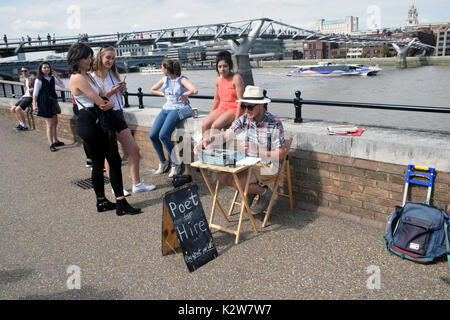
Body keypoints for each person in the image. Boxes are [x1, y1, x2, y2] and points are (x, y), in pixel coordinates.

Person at [68, 42, 141, 215]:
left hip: (96, 121)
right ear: (78, 59)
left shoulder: (88, 76)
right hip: (92, 122)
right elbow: (101, 102)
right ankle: (120, 203)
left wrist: (107, 100)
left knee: (100, 164)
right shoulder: (77, 77)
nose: (89, 60)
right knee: (112, 161)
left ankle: (102, 202)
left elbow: (102, 95)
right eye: (86, 57)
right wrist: (109, 102)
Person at [197, 85, 286, 214]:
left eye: (249, 107)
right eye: (244, 106)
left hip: (268, 165)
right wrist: (208, 139)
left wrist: (257, 151)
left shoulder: (274, 123)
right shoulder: (245, 119)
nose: (246, 110)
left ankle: (265, 193)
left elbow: (281, 154)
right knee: (221, 176)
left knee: (237, 182)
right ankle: (251, 190)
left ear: (260, 105)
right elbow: (225, 135)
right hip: (249, 162)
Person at [92, 46, 156, 194]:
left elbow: (117, 96)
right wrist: (111, 92)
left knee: (134, 149)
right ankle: (116, 188)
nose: (111, 61)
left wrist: (121, 90)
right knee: (111, 154)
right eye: (108, 57)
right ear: (100, 58)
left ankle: (137, 184)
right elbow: (98, 100)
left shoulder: (113, 74)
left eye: (113, 58)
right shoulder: (93, 77)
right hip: (106, 117)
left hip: (118, 114)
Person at [149, 58, 198, 177]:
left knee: (163, 135)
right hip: (166, 108)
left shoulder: (181, 79)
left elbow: (194, 90)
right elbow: (152, 89)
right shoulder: (164, 79)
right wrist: (163, 94)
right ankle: (163, 162)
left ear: (166, 69)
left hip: (178, 109)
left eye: (162, 67)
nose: (161, 69)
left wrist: (184, 94)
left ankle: (176, 163)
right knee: (153, 135)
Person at [201, 51, 244, 139]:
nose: (222, 69)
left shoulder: (236, 78)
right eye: (219, 66)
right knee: (205, 124)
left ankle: (214, 150)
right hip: (222, 108)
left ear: (230, 66)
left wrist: (237, 120)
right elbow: (216, 99)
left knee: (215, 126)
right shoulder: (218, 80)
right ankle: (205, 146)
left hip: (234, 109)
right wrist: (211, 114)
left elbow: (241, 101)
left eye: (225, 66)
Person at [32, 62, 65, 152]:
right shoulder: (39, 80)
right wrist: (34, 105)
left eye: (48, 67)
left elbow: (62, 85)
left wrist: (57, 76)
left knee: (55, 122)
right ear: (41, 69)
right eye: (44, 68)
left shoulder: (53, 78)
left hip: (53, 102)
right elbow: (35, 94)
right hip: (44, 103)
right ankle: (51, 144)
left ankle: (56, 140)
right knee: (50, 124)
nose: (46, 69)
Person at [11, 66, 34, 131]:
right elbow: (26, 89)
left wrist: (33, 89)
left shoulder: (32, 78)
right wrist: (23, 95)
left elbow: (39, 87)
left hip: (30, 97)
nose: (23, 72)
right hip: (25, 96)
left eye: (25, 71)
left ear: (28, 71)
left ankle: (24, 126)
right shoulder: (24, 80)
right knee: (12, 109)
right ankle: (21, 124)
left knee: (18, 109)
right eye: (22, 71)